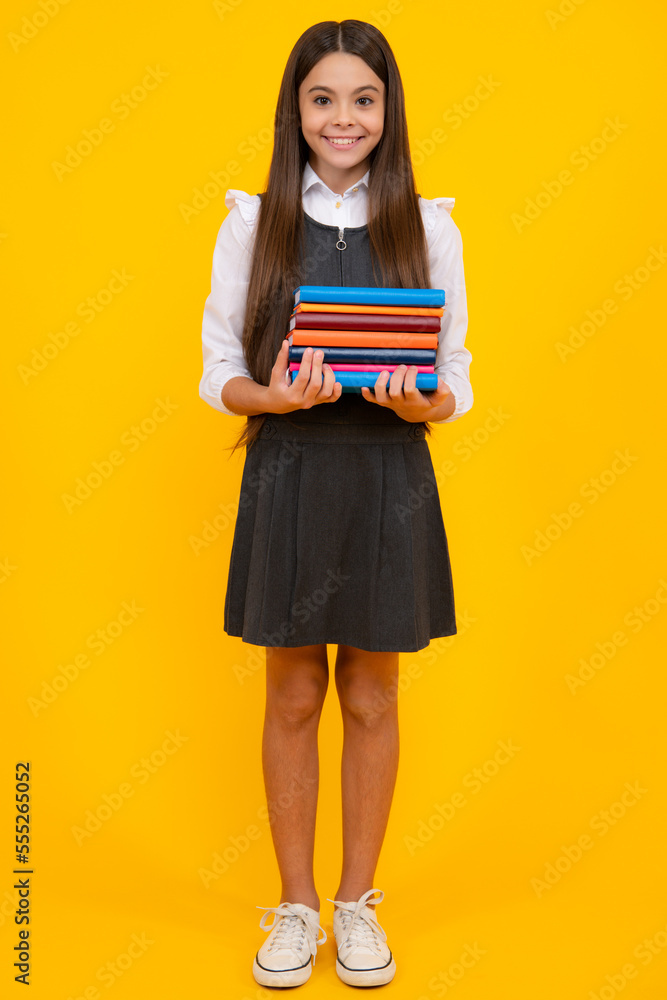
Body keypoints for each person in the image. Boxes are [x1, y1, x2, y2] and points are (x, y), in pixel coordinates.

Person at [199, 19, 473, 989]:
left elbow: (455, 380)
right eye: (323, 99)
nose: (343, 118)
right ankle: (296, 906)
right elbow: (220, 372)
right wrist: (274, 396)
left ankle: (356, 905)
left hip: (388, 478)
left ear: (387, 110)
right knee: (292, 693)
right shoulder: (255, 219)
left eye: (362, 99)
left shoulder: (428, 224)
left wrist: (422, 400)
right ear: (297, 110)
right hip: (291, 468)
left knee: (370, 692)